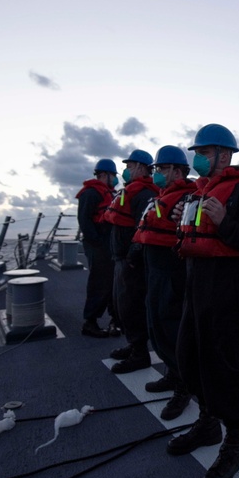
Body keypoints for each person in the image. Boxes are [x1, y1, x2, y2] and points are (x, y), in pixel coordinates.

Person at [167, 123, 239, 478]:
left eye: (205, 152)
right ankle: (208, 422)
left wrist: (224, 222)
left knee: (224, 367)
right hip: (196, 290)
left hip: (228, 294)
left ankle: (233, 441)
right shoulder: (200, 193)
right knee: (189, 357)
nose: (198, 158)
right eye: (197, 151)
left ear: (224, 155)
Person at [132, 145, 196, 420]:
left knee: (170, 325)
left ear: (177, 171)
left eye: (160, 169)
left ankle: (183, 385)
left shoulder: (186, 198)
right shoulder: (161, 196)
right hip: (153, 266)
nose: (156, 174)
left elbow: (186, 230)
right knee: (155, 322)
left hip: (171, 269)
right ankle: (172, 373)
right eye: (156, 169)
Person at [105, 149, 159, 374]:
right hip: (121, 258)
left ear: (142, 167)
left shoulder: (144, 194)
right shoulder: (130, 191)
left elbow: (142, 227)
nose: (126, 171)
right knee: (122, 305)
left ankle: (140, 353)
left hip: (131, 261)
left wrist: (132, 257)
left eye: (130, 166)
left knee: (132, 305)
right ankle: (133, 344)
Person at [76, 158, 118, 338]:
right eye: (113, 175)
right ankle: (90, 322)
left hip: (107, 244)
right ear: (104, 175)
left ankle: (114, 318)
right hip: (98, 245)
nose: (115, 179)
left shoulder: (109, 193)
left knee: (110, 282)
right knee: (99, 283)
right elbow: (84, 220)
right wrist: (97, 242)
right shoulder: (91, 193)